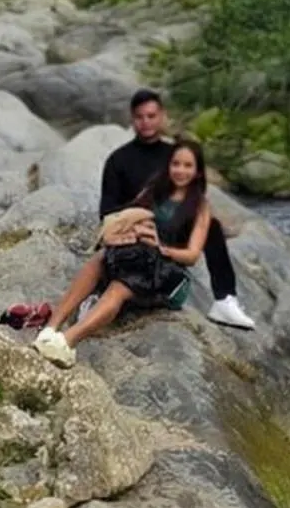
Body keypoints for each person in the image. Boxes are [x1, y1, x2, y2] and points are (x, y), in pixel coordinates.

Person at [35, 138, 214, 367]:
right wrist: (129, 231)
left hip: (166, 270)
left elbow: (192, 255)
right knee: (99, 260)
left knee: (120, 287)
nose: (180, 170)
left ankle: (67, 341)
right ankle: (51, 328)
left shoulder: (200, 206)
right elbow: (124, 216)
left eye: (188, 166)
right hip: (138, 254)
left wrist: (161, 248)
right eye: (176, 164)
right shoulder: (154, 190)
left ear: (198, 172)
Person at [101, 89, 255, 330]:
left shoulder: (173, 155)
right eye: (140, 117)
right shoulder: (118, 160)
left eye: (152, 116)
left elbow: (191, 198)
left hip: (173, 230)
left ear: (162, 116)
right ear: (132, 118)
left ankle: (225, 298)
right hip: (136, 227)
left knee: (211, 225)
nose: (146, 122)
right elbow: (108, 209)